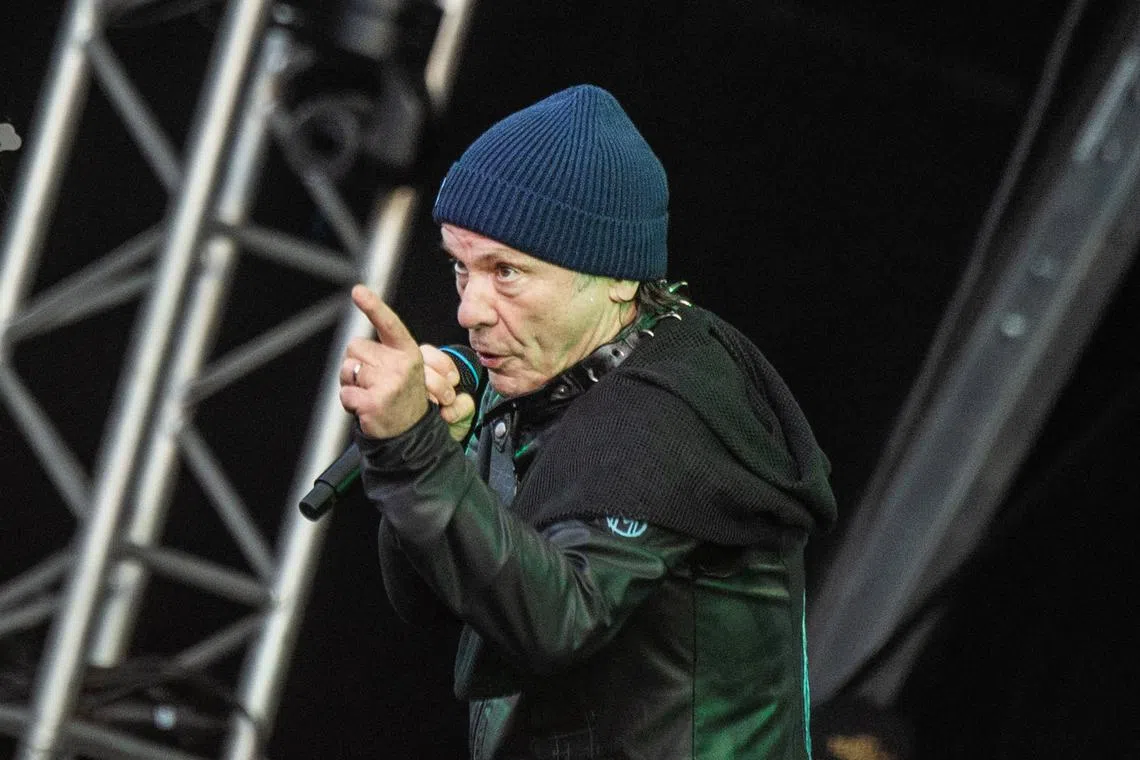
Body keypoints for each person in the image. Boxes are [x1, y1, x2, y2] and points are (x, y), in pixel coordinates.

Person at [338, 84, 838, 759]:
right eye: (461, 269)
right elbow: (438, 601)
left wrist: (411, 454)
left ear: (618, 278)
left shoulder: (666, 411)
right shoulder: (556, 377)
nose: (469, 310)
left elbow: (556, 621)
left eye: (506, 272)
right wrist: (438, 447)